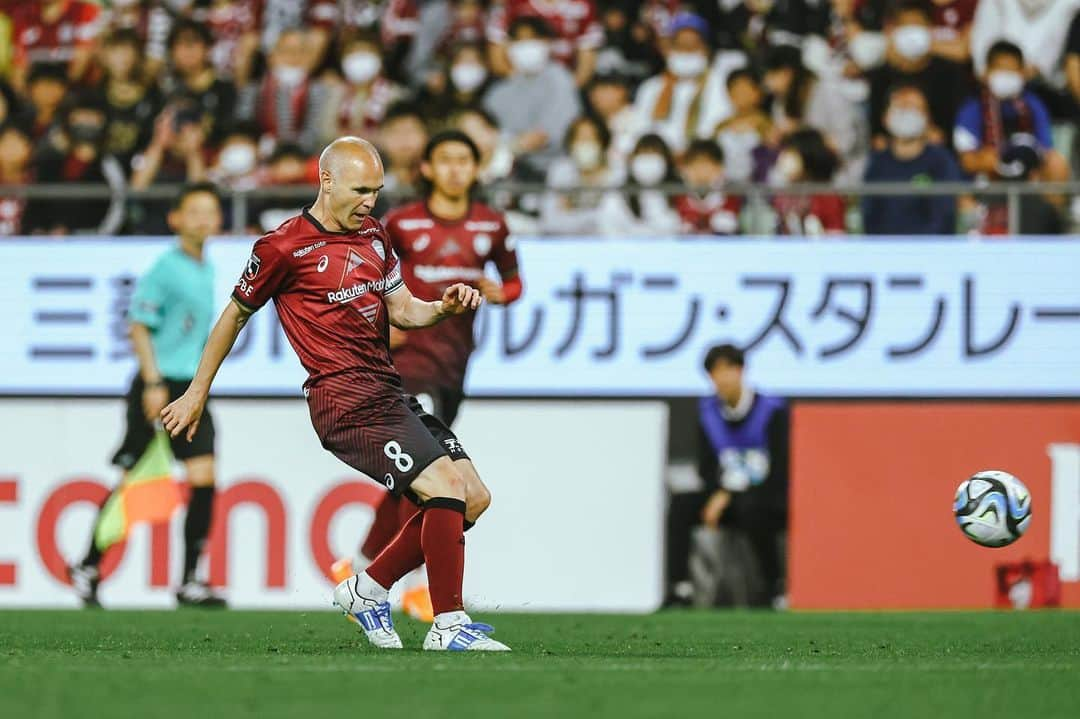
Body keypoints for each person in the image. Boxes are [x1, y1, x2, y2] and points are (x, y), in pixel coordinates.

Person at [161, 136, 511, 652]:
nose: (371, 201)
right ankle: (449, 623)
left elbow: (406, 311)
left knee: (473, 497)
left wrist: (444, 307)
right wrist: (196, 392)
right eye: (361, 189)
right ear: (327, 180)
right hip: (342, 399)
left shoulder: (375, 236)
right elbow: (234, 316)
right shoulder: (282, 247)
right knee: (444, 486)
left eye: (377, 189)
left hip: (387, 389)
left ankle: (367, 589)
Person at [332, 130, 523, 622]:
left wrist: (500, 293)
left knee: (411, 477)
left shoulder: (492, 224)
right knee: (433, 476)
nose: (457, 169)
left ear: (476, 169)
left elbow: (514, 280)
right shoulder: (401, 221)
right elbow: (367, 273)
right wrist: (380, 317)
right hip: (408, 360)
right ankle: (413, 586)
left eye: (465, 160)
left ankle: (362, 568)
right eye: (447, 160)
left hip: (454, 362)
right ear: (429, 169)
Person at [68, 183, 226, 608]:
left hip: (191, 389)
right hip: (160, 385)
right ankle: (88, 563)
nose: (202, 219)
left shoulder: (204, 266)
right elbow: (138, 324)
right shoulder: (165, 268)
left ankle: (190, 579)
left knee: (204, 479)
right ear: (175, 218)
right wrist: (154, 382)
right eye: (193, 210)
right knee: (132, 484)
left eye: (209, 211)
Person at [665, 344, 789, 608]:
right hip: (722, 497)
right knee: (681, 505)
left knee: (754, 510)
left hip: (763, 497)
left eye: (727, 370)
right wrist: (720, 493)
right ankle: (680, 588)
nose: (722, 379)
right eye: (715, 373)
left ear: (740, 370)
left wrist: (730, 493)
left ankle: (774, 588)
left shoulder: (772, 410)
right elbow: (707, 468)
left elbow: (779, 469)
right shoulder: (708, 413)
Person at [953, 40, 1069, 183]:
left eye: (1012, 71)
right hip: (988, 177)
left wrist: (1025, 160)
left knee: (1056, 162)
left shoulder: (1033, 104)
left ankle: (1053, 205)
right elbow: (967, 160)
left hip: (1028, 171)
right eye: (1000, 69)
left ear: (1023, 74)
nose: (1006, 76)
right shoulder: (972, 107)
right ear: (985, 73)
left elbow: (1046, 148)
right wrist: (992, 161)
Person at [483, 16, 581, 178]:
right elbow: (486, 133)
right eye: (519, 40)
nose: (526, 45)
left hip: (554, 171)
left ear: (547, 43)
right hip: (510, 172)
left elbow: (545, 136)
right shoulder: (499, 91)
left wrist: (509, 145)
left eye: (532, 38)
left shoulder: (560, 79)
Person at [862, 83, 962, 235]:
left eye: (914, 108)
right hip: (884, 251)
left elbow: (945, 214)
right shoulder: (876, 162)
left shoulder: (941, 161)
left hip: (931, 250)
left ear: (927, 118)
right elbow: (869, 214)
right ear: (886, 118)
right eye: (901, 107)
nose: (907, 113)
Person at [541, 114, 624, 234]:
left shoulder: (618, 173)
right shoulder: (560, 171)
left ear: (603, 143)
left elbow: (612, 220)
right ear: (571, 144)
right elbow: (549, 222)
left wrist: (571, 213)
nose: (585, 144)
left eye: (591, 138)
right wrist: (592, 217)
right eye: (579, 139)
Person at [770, 127, 847, 236]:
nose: (783, 159)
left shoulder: (827, 198)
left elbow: (837, 238)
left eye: (790, 154)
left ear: (807, 156)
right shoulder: (782, 196)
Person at [675, 139, 740, 235]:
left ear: (719, 167)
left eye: (705, 164)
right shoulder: (676, 192)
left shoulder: (731, 192)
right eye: (694, 164)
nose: (700, 170)